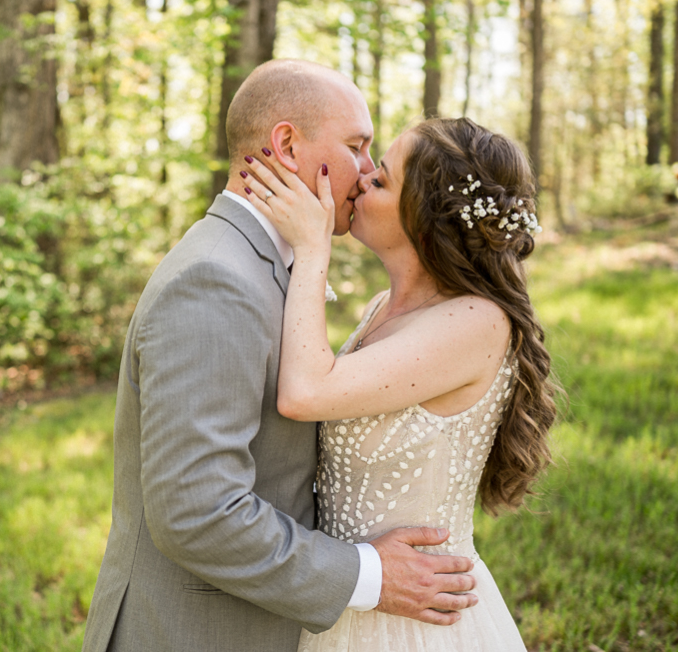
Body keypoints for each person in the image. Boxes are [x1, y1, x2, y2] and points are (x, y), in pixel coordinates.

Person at [82, 60, 481, 652]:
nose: (368, 170)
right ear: (287, 146)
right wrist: (369, 575)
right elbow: (197, 512)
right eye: (356, 146)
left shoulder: (260, 264)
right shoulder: (217, 281)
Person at [239, 116, 558, 651]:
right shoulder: (380, 309)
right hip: (350, 592)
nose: (361, 178)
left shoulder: (476, 322)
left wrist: (314, 248)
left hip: (418, 614)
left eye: (382, 179)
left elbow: (305, 394)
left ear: (425, 220)